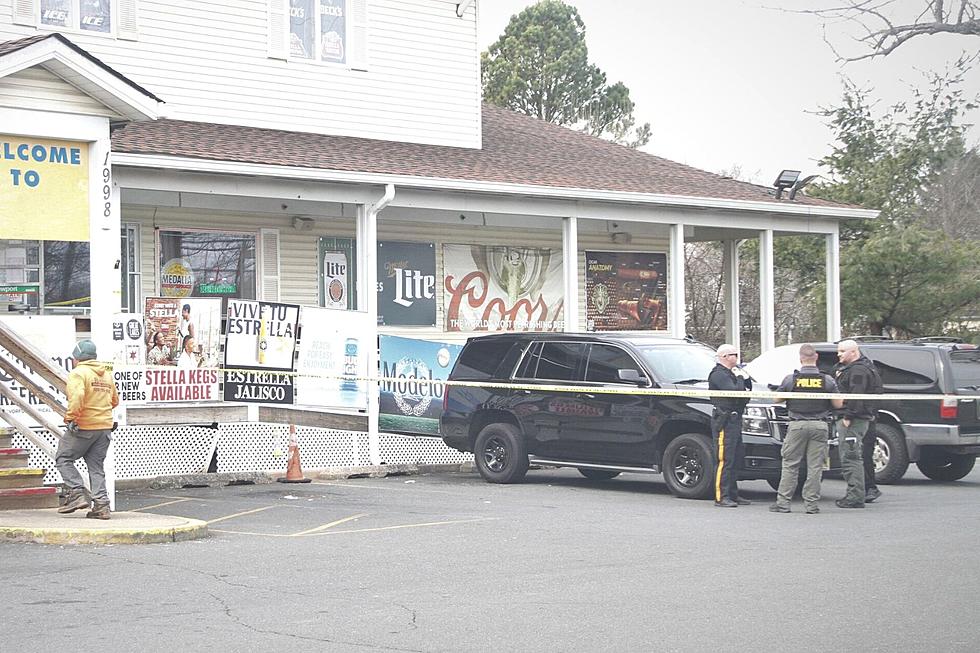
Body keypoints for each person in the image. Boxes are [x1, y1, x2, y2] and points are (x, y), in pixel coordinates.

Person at [769, 344, 843, 514]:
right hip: (820, 425)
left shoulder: (790, 379)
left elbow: (777, 399)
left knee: (790, 465)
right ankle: (811, 505)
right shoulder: (827, 380)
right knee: (815, 466)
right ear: (816, 357)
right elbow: (838, 404)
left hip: (797, 426)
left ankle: (783, 503)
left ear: (800, 358)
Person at [56, 339, 119, 520]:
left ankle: (76, 493)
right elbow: (115, 401)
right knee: (96, 467)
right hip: (105, 428)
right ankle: (102, 506)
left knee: (63, 458)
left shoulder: (78, 373)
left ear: (77, 358)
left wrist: (70, 418)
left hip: (84, 426)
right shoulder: (106, 375)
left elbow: (77, 397)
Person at [833, 339, 878, 509]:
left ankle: (855, 496)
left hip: (853, 420)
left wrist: (848, 416)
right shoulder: (861, 367)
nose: (839, 354)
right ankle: (857, 493)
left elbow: (856, 394)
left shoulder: (858, 370)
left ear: (854, 352)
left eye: (842, 351)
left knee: (851, 457)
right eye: (839, 351)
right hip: (859, 418)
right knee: (853, 456)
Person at [708, 343, 753, 507]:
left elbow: (746, 391)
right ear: (725, 357)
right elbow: (734, 391)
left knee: (736, 457)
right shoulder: (719, 374)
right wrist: (740, 379)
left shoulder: (731, 373)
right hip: (725, 420)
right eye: (734, 354)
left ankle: (733, 493)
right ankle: (721, 496)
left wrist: (744, 378)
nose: (737, 357)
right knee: (724, 459)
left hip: (735, 419)